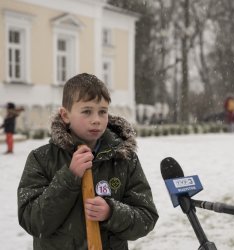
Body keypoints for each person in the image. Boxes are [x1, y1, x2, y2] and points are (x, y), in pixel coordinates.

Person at [17, 73, 159, 249]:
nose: (96, 120)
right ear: (65, 115)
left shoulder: (123, 159)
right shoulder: (41, 159)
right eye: (86, 111)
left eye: (102, 112)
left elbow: (147, 217)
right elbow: (33, 222)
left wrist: (111, 212)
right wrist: (69, 177)